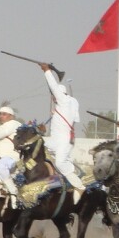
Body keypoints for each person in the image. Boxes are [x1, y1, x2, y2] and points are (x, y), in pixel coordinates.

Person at [40, 63, 84, 204]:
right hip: (56, 138)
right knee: (37, 144)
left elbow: (53, 86)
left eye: (54, 95)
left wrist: (47, 71)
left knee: (60, 162)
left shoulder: (64, 101)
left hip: (63, 139)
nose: (53, 97)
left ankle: (79, 186)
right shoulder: (68, 104)